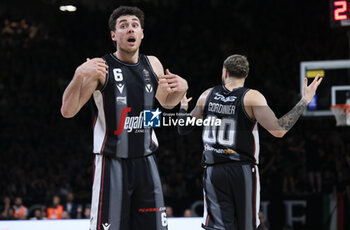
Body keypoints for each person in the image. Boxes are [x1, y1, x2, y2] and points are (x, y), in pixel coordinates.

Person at [61, 6, 188, 230]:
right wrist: (78, 74)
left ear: (141, 33)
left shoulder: (153, 64)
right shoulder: (100, 68)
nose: (130, 28)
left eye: (134, 25)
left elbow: (167, 103)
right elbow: (67, 111)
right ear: (114, 35)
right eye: (123, 26)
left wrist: (182, 88)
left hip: (147, 160)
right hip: (112, 163)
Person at [178, 54, 322, 230]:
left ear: (224, 72)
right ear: (246, 74)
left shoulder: (206, 95)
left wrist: (183, 107)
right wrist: (305, 100)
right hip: (242, 170)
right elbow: (279, 130)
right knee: (247, 225)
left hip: (214, 170)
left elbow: (182, 127)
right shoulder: (252, 97)